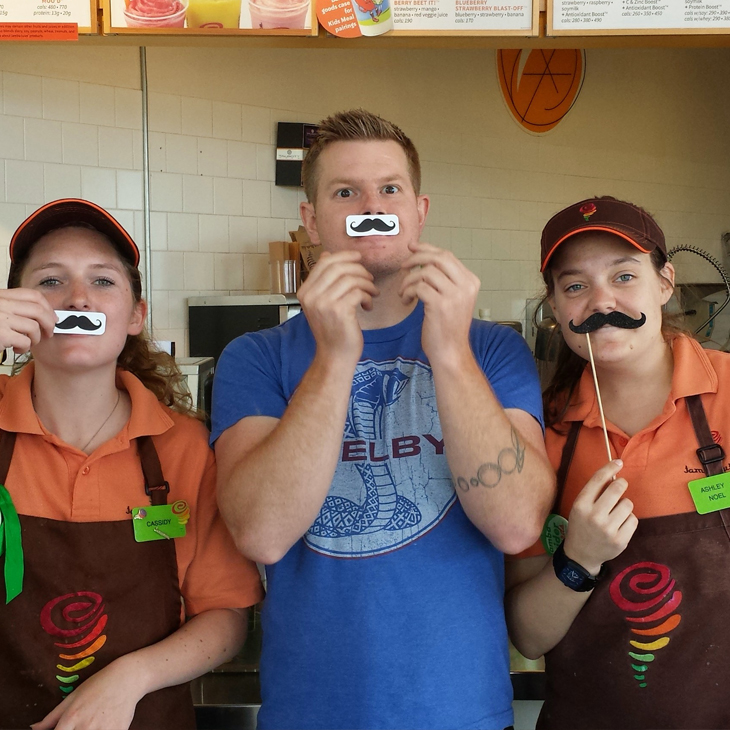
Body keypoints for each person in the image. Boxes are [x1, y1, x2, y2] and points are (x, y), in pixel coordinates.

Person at [212, 109, 555, 730]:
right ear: (311, 219)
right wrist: (335, 357)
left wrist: (448, 353)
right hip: (309, 716)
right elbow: (262, 534)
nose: (372, 207)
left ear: (419, 211)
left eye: (389, 189)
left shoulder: (492, 350)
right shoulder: (255, 357)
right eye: (346, 193)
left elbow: (514, 524)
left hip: (463, 714)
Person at [0, 199, 263, 730]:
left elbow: (226, 613)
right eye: (50, 281)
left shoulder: (186, 448)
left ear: (136, 315)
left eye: (102, 281)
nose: (77, 298)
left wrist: (130, 678)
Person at [505, 196, 730, 729]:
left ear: (665, 282)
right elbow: (529, 636)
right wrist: (578, 559)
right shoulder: (539, 432)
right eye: (575, 286)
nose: (601, 302)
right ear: (555, 307)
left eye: (624, 276)